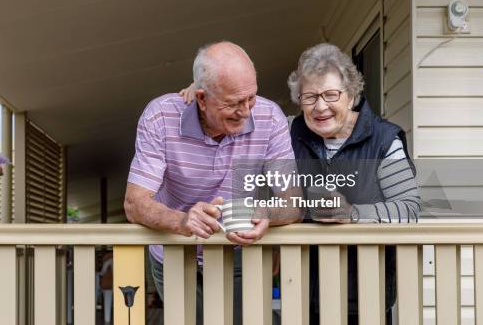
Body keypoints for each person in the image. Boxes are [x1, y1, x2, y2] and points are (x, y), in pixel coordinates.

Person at [180, 43, 420, 324]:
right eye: (309, 97)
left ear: (352, 94)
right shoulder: (287, 131)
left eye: (331, 95)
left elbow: (409, 210)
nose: (320, 106)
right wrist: (204, 95)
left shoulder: (383, 140)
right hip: (299, 291)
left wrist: (353, 214)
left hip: (364, 295)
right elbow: (238, 103)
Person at [125, 41, 302, 324]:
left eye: (251, 98)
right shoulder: (160, 116)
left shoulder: (270, 117)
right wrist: (183, 222)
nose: (245, 112)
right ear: (201, 98)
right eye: (232, 103)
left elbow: (293, 203)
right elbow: (134, 204)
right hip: (172, 251)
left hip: (239, 252)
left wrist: (264, 213)